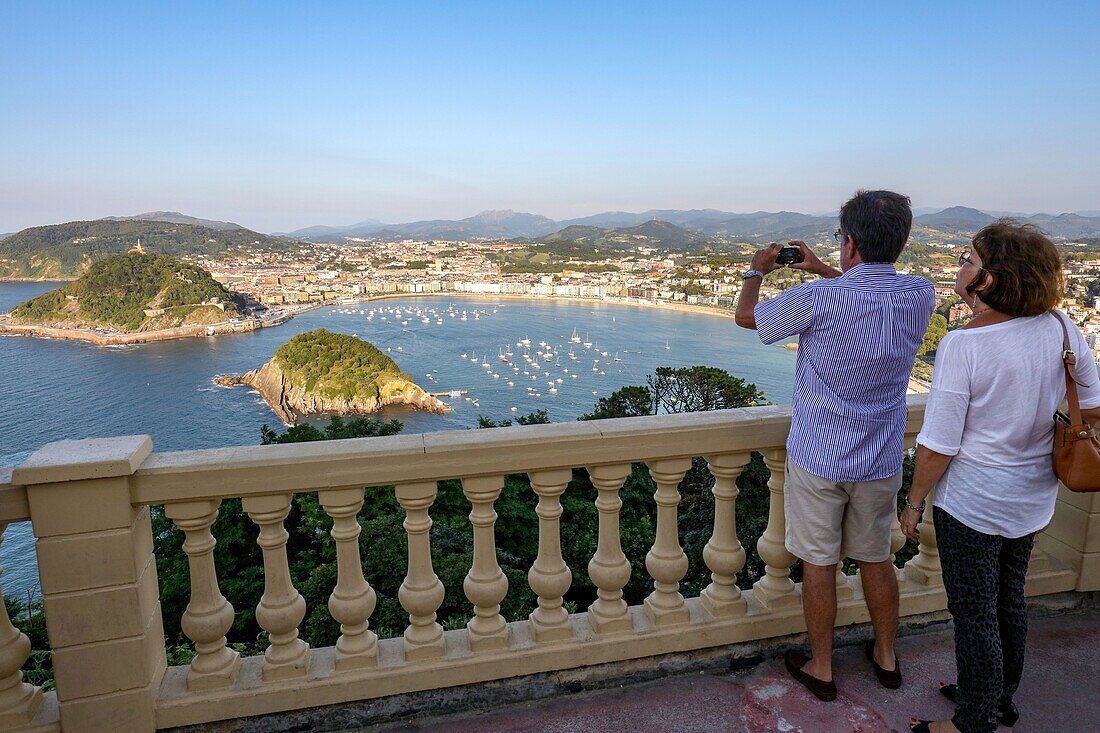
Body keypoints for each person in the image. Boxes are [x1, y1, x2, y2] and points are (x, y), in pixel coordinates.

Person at [736, 189, 935, 701]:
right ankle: (886, 657)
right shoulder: (920, 294)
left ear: (849, 243)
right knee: (876, 558)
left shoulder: (818, 299)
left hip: (820, 454)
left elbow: (748, 319)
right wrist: (827, 266)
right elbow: (866, 291)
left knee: (819, 563)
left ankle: (822, 668)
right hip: (881, 456)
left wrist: (756, 271)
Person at [902, 222, 1100, 733]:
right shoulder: (1060, 327)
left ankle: (974, 720)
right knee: (1009, 600)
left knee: (975, 615)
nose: (959, 268)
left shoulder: (965, 346)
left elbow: (939, 443)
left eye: (968, 260)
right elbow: (1093, 406)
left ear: (989, 279)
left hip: (974, 502)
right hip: (1033, 496)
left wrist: (914, 501)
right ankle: (998, 698)